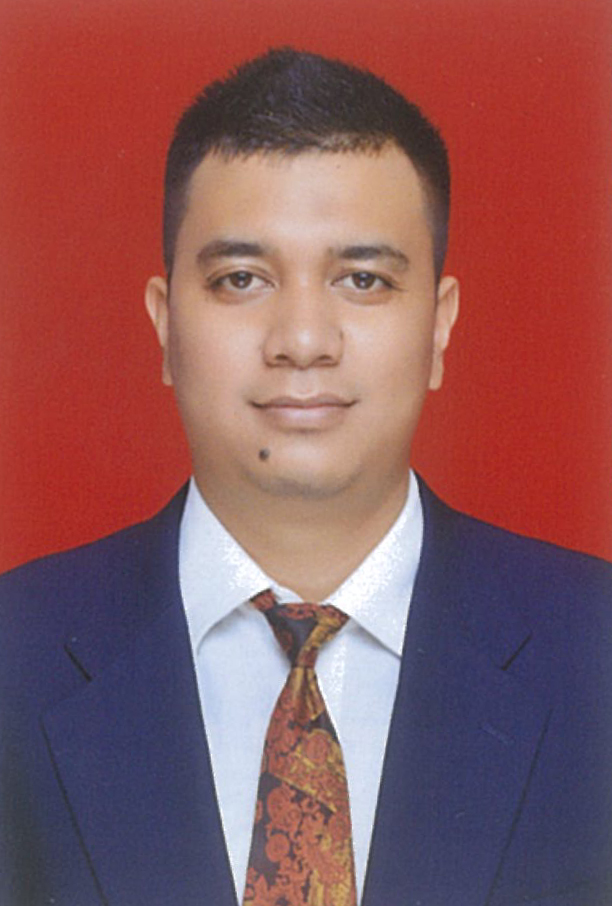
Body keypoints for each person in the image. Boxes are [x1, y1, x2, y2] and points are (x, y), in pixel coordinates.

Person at [1, 48, 610, 906]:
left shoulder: (595, 652)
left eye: (363, 279)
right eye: (241, 279)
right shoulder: (16, 654)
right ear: (166, 325)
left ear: (439, 327)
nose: (302, 340)